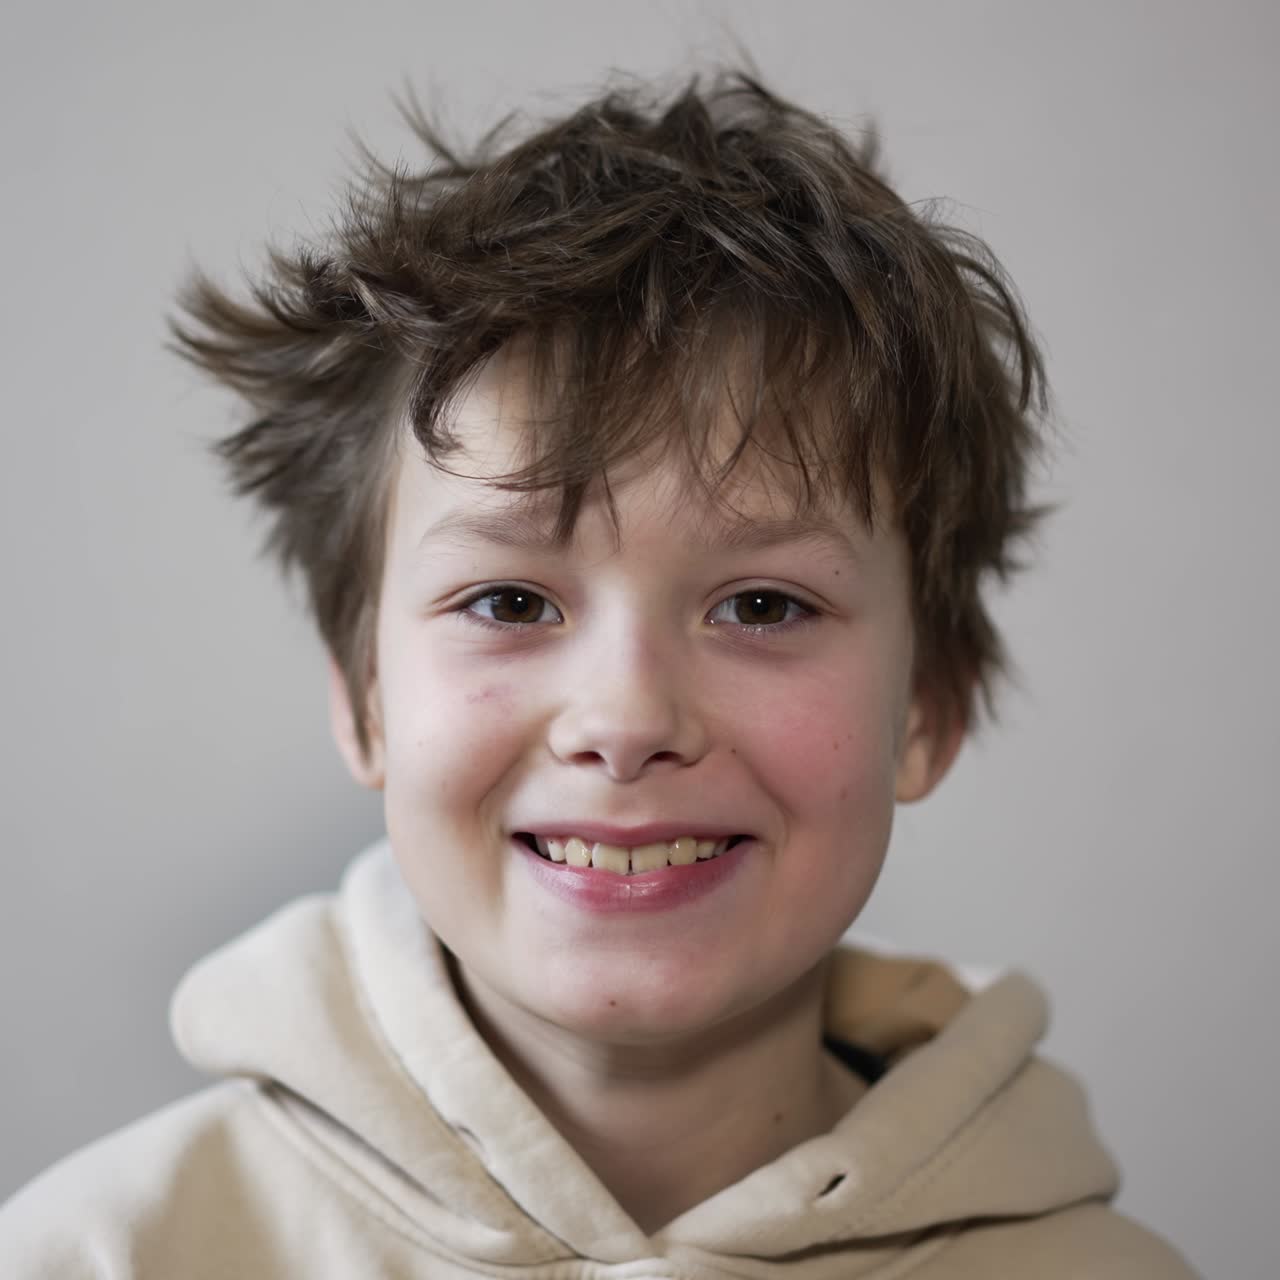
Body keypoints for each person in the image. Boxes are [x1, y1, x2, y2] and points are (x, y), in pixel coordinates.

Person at [0, 69, 1199, 1276]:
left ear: (927, 707)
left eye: (761, 605)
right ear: (365, 698)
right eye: (510, 602)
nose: (625, 719)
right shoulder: (96, 1253)